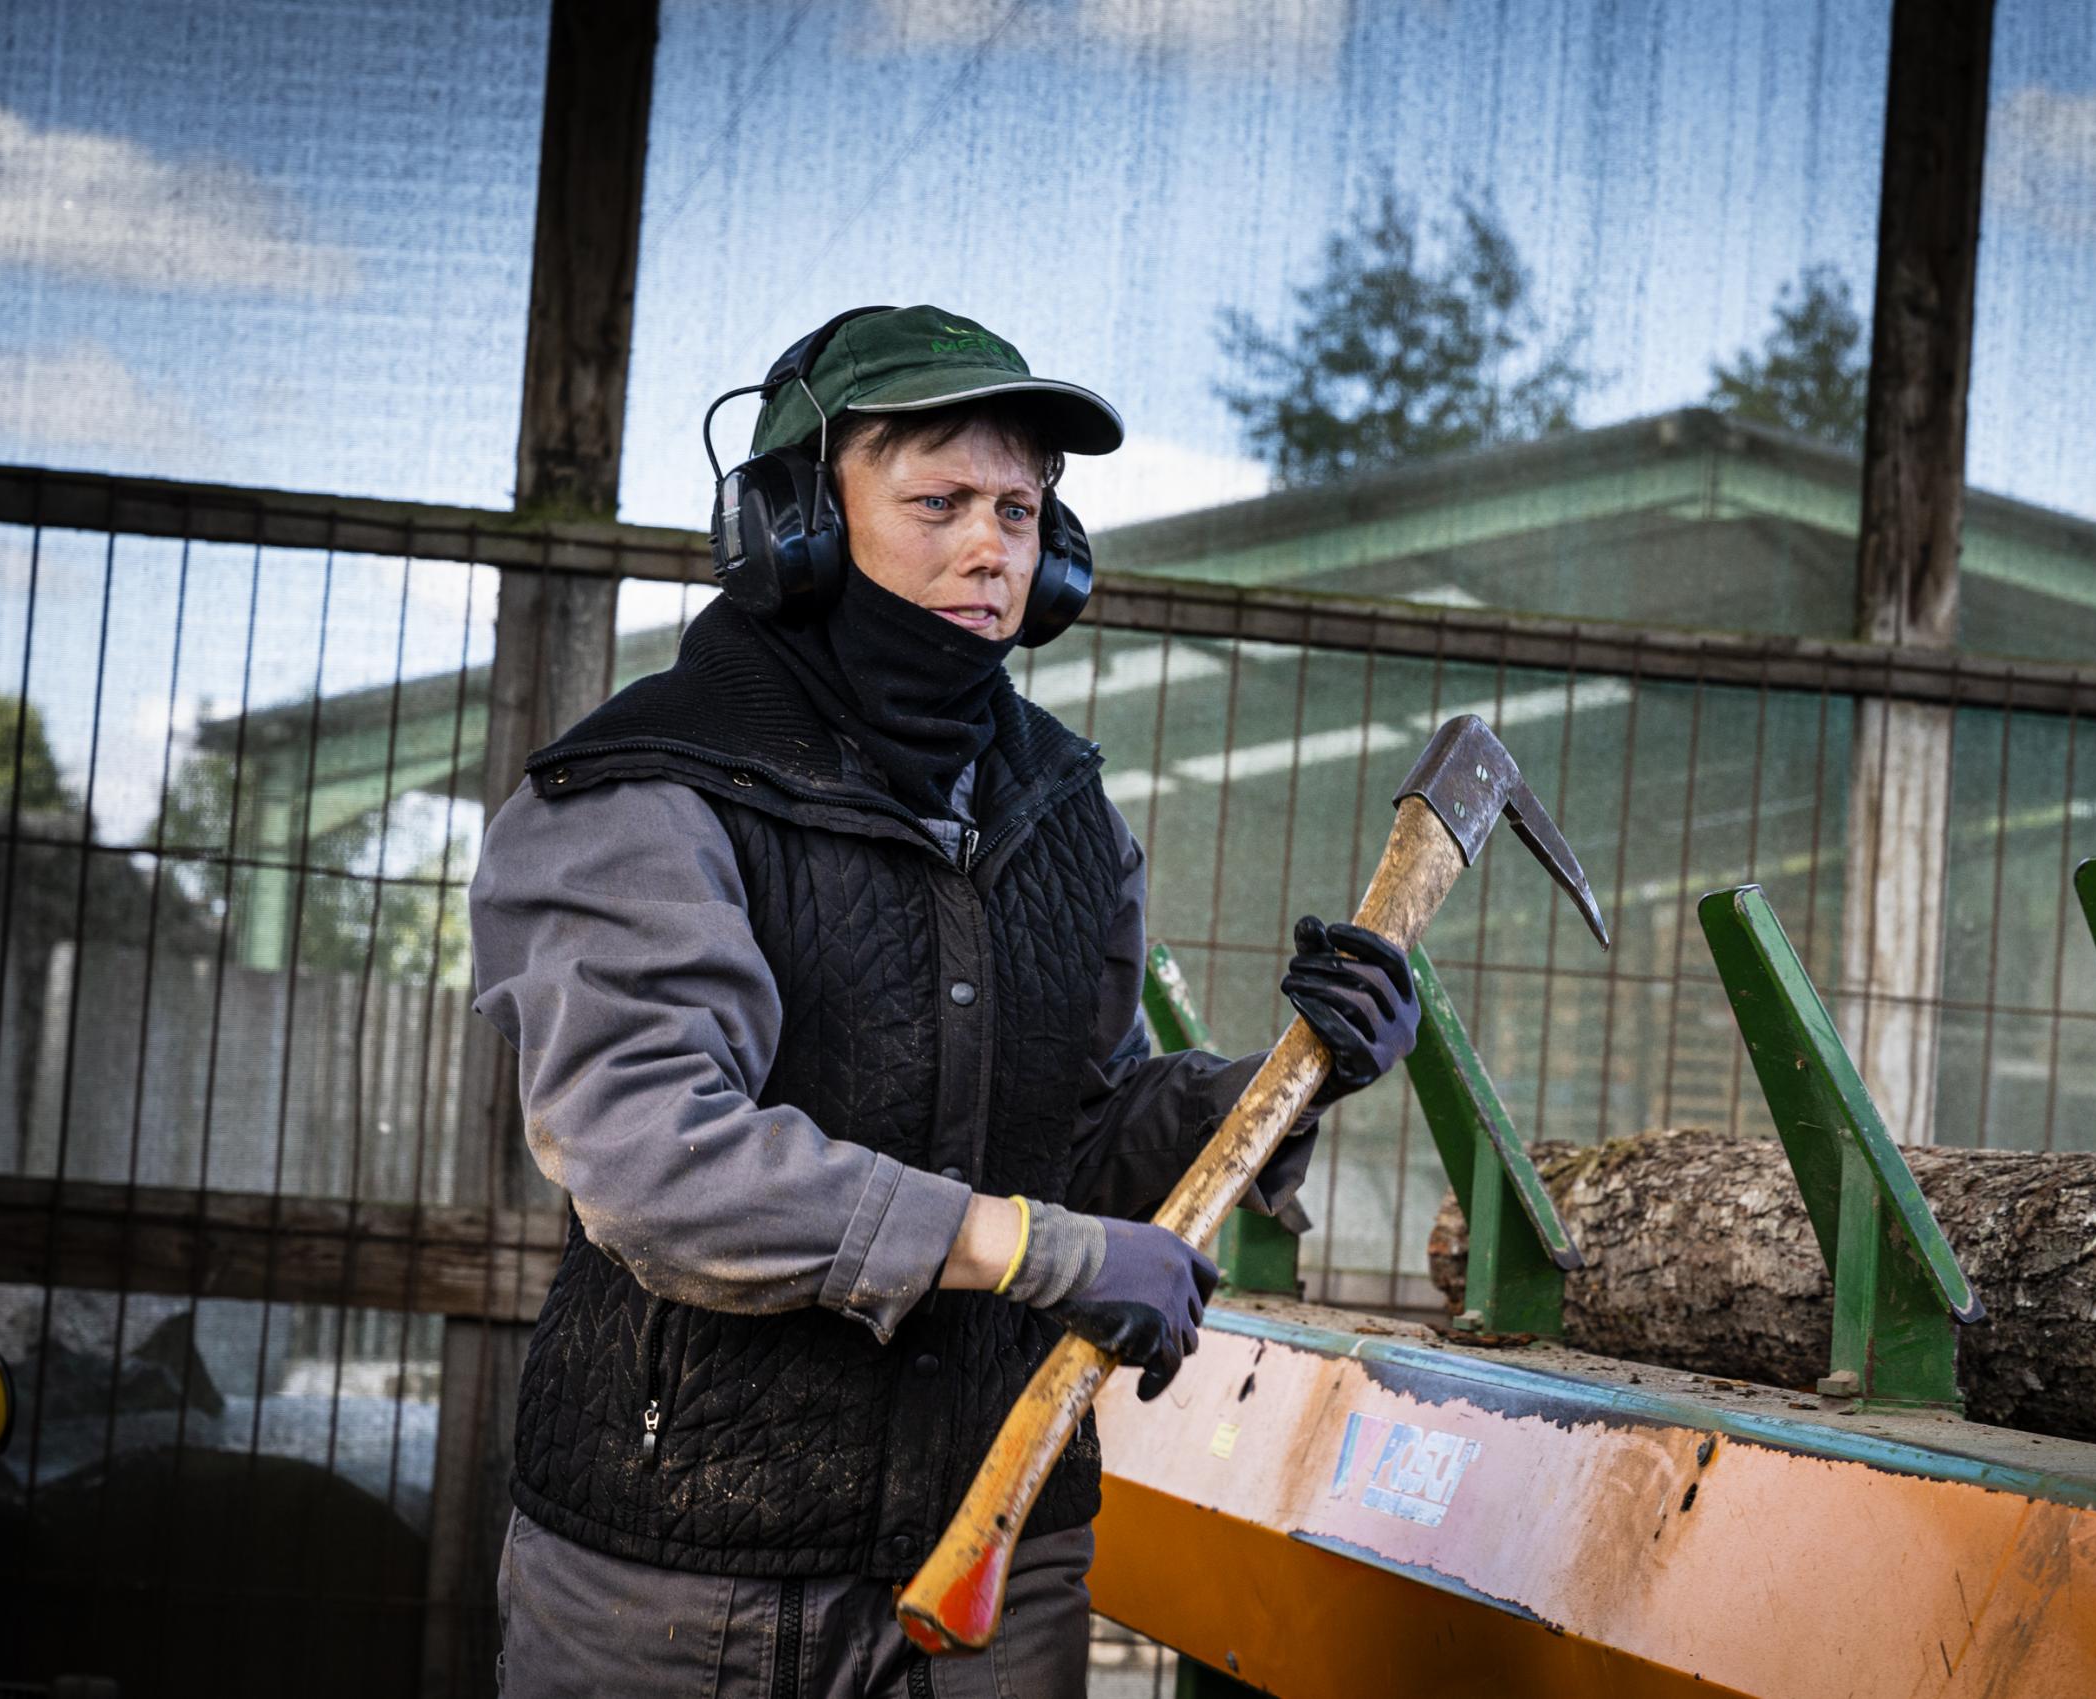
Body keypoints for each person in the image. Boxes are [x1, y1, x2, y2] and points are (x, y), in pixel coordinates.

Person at [467, 304, 1419, 1698]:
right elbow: (658, 1162)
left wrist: (1283, 1084)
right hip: (688, 1575)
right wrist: (1039, 1252)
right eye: (941, 502)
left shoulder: (1066, 819)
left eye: (1023, 511)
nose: (993, 546)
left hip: (999, 1550)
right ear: (791, 522)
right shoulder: (646, 798)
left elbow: (1082, 1146)